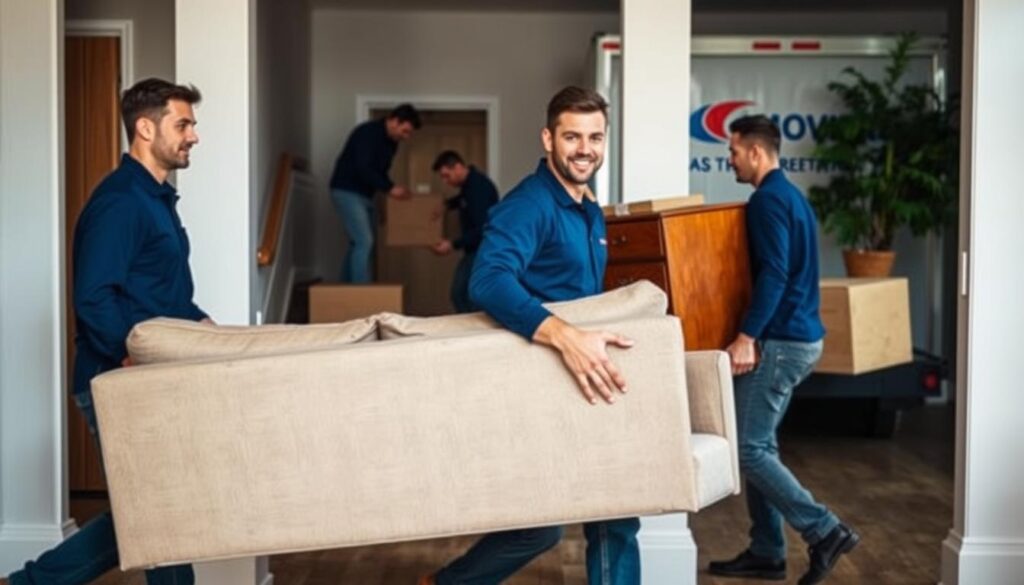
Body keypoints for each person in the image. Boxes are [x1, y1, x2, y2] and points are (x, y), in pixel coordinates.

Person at [419, 86, 640, 585]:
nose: (585, 148)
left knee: (616, 512)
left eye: (595, 137)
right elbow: (488, 280)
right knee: (545, 529)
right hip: (542, 379)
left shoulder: (587, 209)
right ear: (548, 138)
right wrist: (567, 337)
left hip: (583, 380)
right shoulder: (530, 205)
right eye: (572, 136)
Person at [3, 78, 211, 585]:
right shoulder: (121, 202)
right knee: (158, 511)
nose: (194, 136)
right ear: (145, 127)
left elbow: (162, 294)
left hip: (151, 375)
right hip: (117, 378)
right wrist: (129, 356)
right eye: (182, 124)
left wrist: (208, 330)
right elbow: (94, 296)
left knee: (157, 511)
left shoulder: (156, 199)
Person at [709, 115, 859, 585]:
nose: (728, 159)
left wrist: (746, 336)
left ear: (756, 152)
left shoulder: (767, 201)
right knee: (761, 444)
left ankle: (824, 529)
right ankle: (767, 550)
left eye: (733, 151)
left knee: (749, 449)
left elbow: (773, 273)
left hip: (780, 341)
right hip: (798, 337)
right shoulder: (791, 197)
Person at [328, 104, 421, 283]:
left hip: (366, 195)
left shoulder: (392, 144)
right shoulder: (367, 133)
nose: (406, 137)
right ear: (394, 121)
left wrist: (389, 192)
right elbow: (364, 167)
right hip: (346, 191)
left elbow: (380, 173)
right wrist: (390, 189)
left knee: (359, 243)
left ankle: (344, 289)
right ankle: (362, 294)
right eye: (405, 131)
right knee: (365, 241)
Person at [429, 150, 499, 313]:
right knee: (463, 294)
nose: (446, 181)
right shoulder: (470, 186)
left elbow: (482, 227)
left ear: (458, 167)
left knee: (462, 294)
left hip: (481, 250)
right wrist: (447, 205)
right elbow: (463, 200)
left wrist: (452, 244)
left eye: (447, 175)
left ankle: (473, 334)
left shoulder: (477, 187)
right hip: (476, 250)